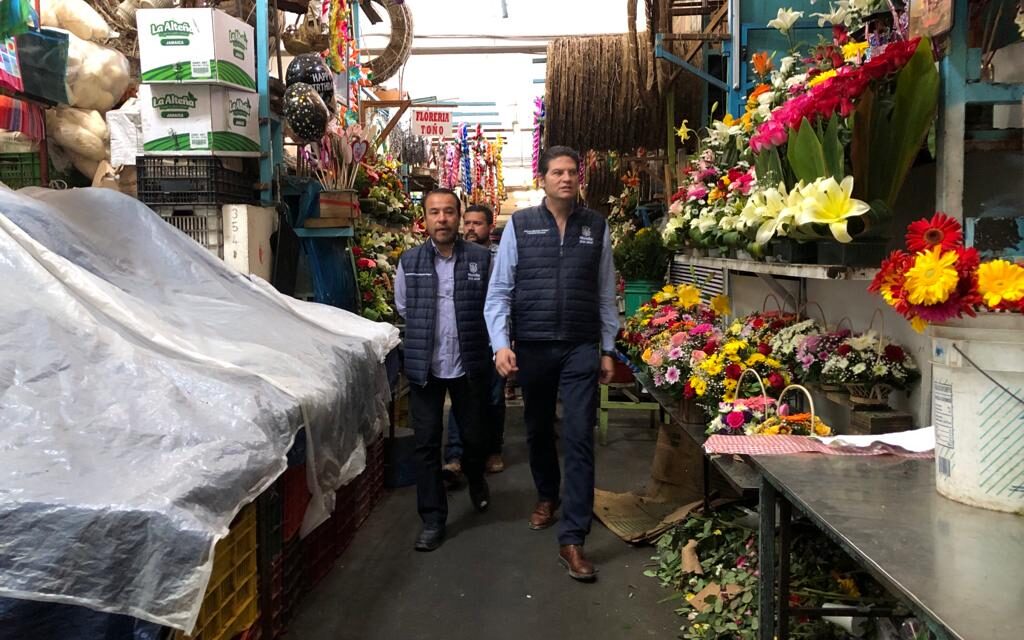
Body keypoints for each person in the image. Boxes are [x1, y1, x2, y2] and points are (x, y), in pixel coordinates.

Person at [485, 146, 618, 581]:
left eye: (572, 172)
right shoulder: (521, 225)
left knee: (579, 435)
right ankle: (547, 495)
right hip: (534, 345)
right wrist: (501, 344)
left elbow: (605, 293)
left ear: (579, 178)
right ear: (542, 179)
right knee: (539, 428)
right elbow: (500, 289)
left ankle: (573, 538)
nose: (566, 178)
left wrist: (607, 347)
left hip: (580, 345)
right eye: (557, 172)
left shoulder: (596, 226)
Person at [394, 189, 494, 552]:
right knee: (426, 444)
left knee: (474, 438)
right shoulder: (410, 261)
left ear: (459, 216)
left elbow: (494, 304)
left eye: (449, 212)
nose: (442, 219)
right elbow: (404, 306)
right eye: (434, 212)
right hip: (425, 367)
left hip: (469, 364)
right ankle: (433, 519)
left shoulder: (481, 259)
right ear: (425, 218)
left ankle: (476, 477)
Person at [443, 204, 507, 478]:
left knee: (493, 397)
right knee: (461, 396)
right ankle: (456, 455)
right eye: (467, 222)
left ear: (490, 227)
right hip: (463, 339)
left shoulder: (500, 257)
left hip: (493, 340)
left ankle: (493, 450)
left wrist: (506, 340)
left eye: (477, 223)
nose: (470, 228)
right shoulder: (454, 255)